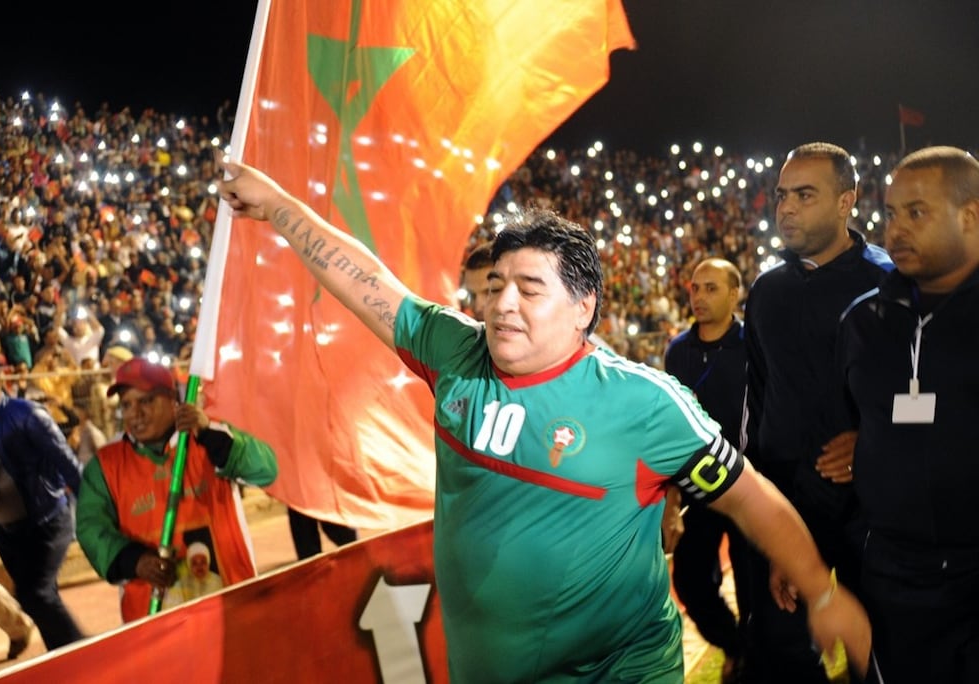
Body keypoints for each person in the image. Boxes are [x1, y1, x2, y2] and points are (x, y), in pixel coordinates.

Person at [217, 157, 871, 681]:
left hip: (622, 670)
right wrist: (278, 205)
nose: (503, 303)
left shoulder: (643, 404)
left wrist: (820, 589)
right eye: (496, 284)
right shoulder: (455, 350)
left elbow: (750, 497)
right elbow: (368, 284)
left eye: (530, 290)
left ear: (583, 307)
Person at [741, 142, 893, 682]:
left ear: (846, 200)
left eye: (805, 195)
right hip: (784, 501)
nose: (785, 208)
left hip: (867, 509)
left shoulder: (891, 284)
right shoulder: (766, 290)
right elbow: (758, 398)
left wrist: (873, 440)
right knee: (781, 654)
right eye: (783, 195)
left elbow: (930, 397)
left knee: (874, 652)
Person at [837, 146, 979, 682]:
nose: (895, 229)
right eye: (891, 213)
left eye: (916, 212)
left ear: (971, 215)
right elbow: (849, 426)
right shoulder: (864, 322)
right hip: (891, 574)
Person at [75, 357, 279, 623]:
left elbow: (266, 469)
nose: (135, 413)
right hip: (155, 622)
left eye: (146, 401)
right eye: (127, 404)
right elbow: (91, 529)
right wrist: (135, 561)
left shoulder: (210, 436)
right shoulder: (105, 467)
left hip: (231, 610)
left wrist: (209, 434)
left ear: (173, 400)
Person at [0, 356, 85, 651]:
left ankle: (84, 653)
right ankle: (64, 655)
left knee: (35, 595)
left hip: (46, 523)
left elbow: (67, 463)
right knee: (40, 596)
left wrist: (92, 512)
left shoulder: (27, 414)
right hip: (7, 532)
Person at [663, 258, 751, 682]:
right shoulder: (678, 351)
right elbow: (669, 426)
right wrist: (670, 499)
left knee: (755, 582)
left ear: (735, 294)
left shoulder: (754, 344)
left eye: (711, 288)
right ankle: (735, 645)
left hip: (750, 483)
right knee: (692, 582)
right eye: (695, 288)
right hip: (698, 486)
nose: (699, 296)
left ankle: (758, 658)